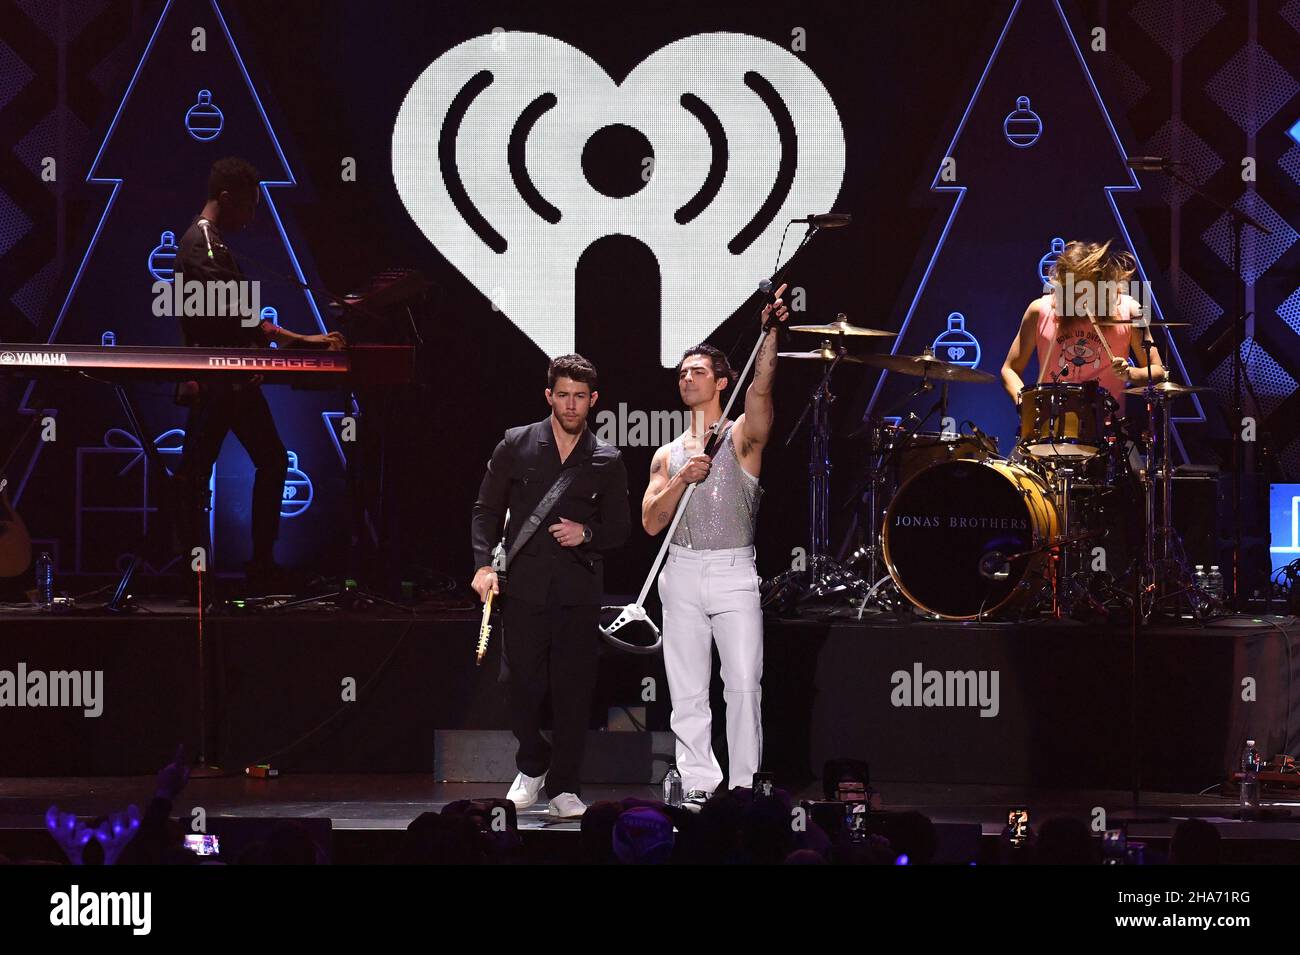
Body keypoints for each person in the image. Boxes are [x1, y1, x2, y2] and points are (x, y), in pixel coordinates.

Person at [641, 286, 789, 811]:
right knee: (686, 690)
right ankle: (699, 783)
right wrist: (682, 477)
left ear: (722, 381)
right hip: (679, 573)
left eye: (698, 371)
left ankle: (746, 786)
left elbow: (763, 391)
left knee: (744, 681)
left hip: (732, 572)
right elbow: (651, 523)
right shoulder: (666, 454)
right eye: (682, 373)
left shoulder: (743, 436)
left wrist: (770, 333)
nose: (687, 378)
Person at [172, 157, 345, 592]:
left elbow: (231, 317)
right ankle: (194, 572)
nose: (252, 218)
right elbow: (230, 313)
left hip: (231, 380)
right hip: (218, 382)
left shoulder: (213, 242)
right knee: (197, 476)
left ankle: (251, 567)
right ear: (227, 198)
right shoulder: (202, 243)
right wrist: (298, 340)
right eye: (248, 206)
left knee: (255, 462)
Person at [470, 354, 630, 818]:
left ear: (593, 400)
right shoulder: (516, 444)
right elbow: (484, 509)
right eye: (563, 395)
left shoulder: (607, 459)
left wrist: (589, 534)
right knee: (517, 684)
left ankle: (564, 786)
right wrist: (484, 566)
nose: (571, 405)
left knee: (574, 691)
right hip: (522, 587)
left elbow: (620, 530)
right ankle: (533, 763)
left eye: (580, 397)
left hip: (578, 592)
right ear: (549, 396)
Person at [1000, 239, 1165, 411]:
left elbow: (1157, 371)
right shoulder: (1040, 310)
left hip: (1106, 429)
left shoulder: (1130, 310)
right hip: (1050, 428)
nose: (1081, 295)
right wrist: (1026, 406)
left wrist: (1130, 374)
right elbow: (1010, 369)